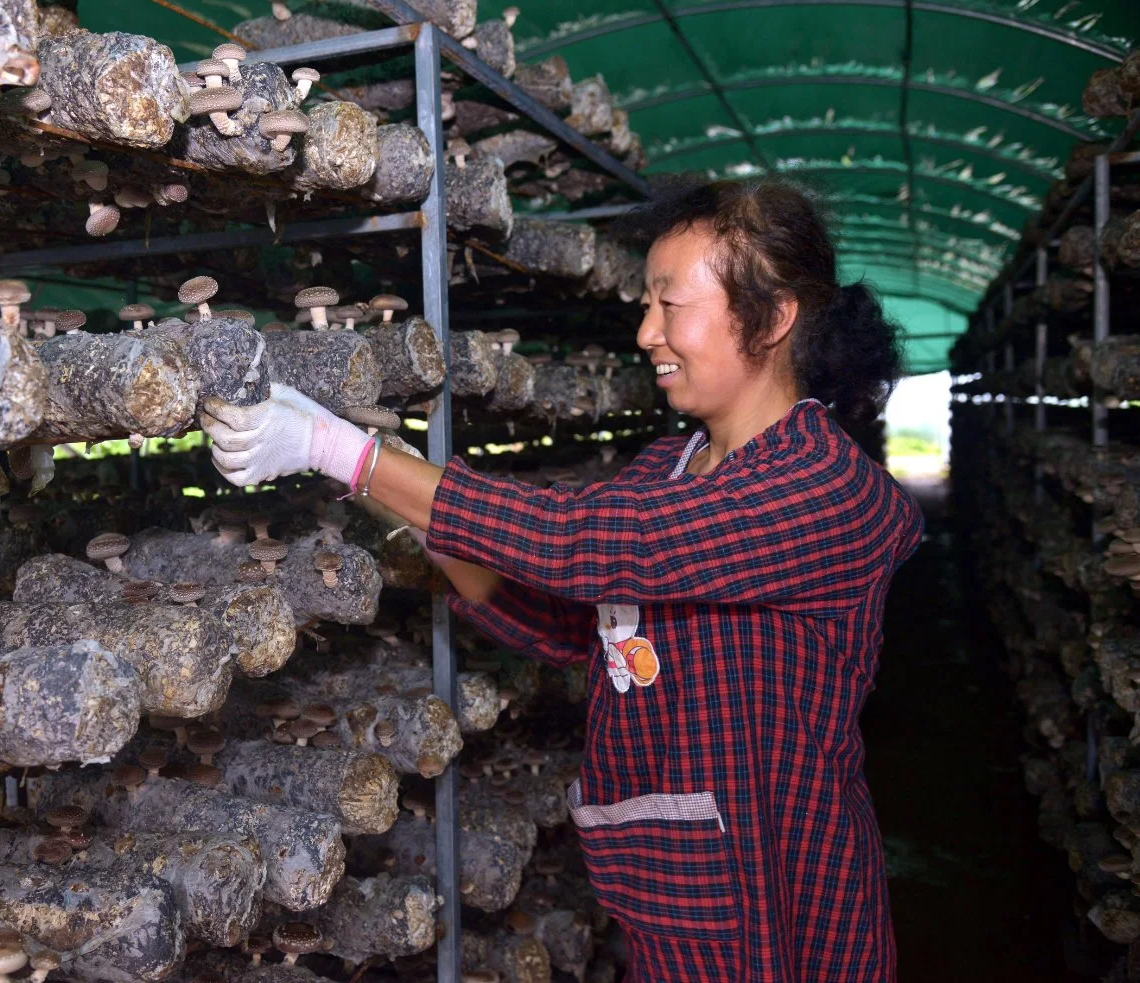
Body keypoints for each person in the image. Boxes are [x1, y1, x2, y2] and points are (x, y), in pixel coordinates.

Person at [202, 179, 924, 982]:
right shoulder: (669, 467)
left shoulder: (822, 489)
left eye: (670, 303)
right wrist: (369, 477)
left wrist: (345, 450)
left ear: (773, 316)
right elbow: (563, 617)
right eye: (646, 304)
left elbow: (589, 544)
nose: (647, 331)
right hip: (674, 888)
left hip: (784, 889)